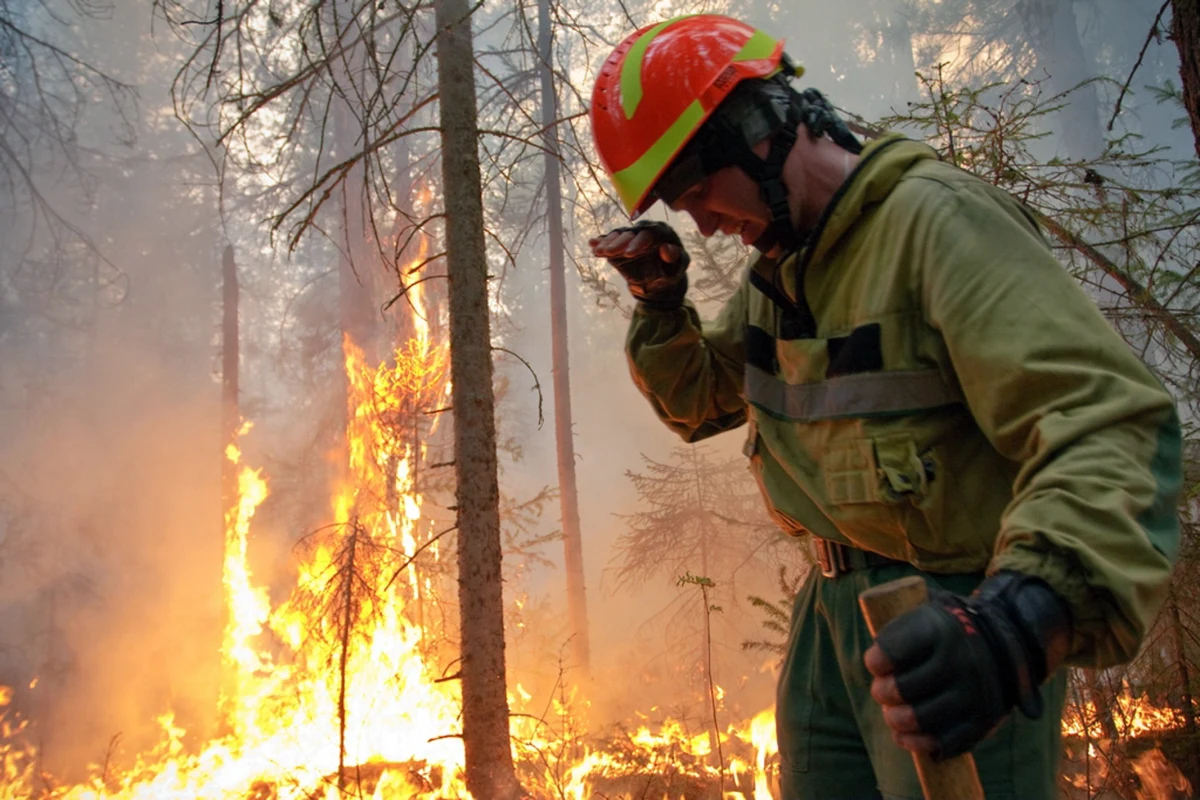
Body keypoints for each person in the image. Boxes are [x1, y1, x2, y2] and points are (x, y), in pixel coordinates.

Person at [587, 14, 1183, 800]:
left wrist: (1018, 621)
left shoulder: (937, 224)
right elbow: (704, 401)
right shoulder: (785, 266)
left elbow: (1108, 422)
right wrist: (661, 302)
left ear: (757, 131)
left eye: (698, 190)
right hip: (829, 624)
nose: (701, 222)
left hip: (953, 622)